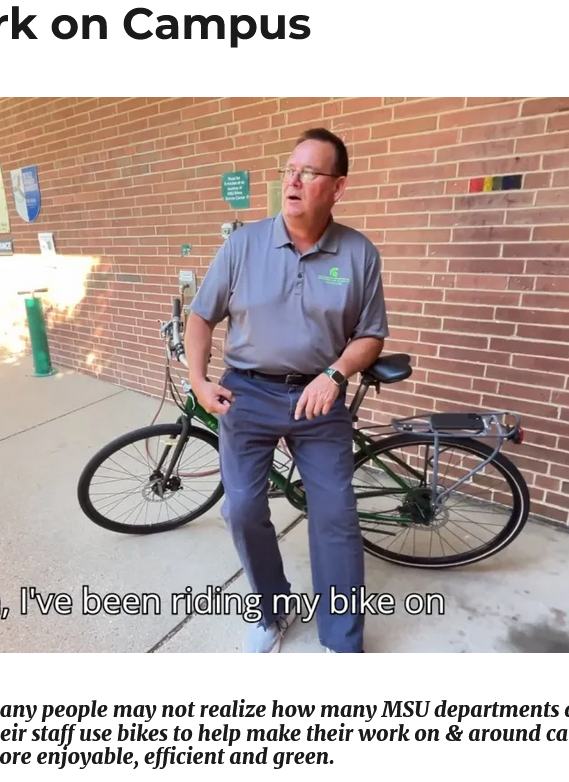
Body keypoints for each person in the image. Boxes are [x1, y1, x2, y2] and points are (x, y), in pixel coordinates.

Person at [186, 127, 389, 653]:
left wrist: (336, 374)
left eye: (309, 172)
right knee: (244, 508)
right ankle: (272, 611)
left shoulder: (358, 253)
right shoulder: (243, 244)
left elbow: (370, 334)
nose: (293, 181)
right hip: (247, 395)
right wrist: (200, 381)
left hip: (318, 399)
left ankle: (342, 641)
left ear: (337, 187)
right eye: (289, 170)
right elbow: (202, 317)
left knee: (336, 513)